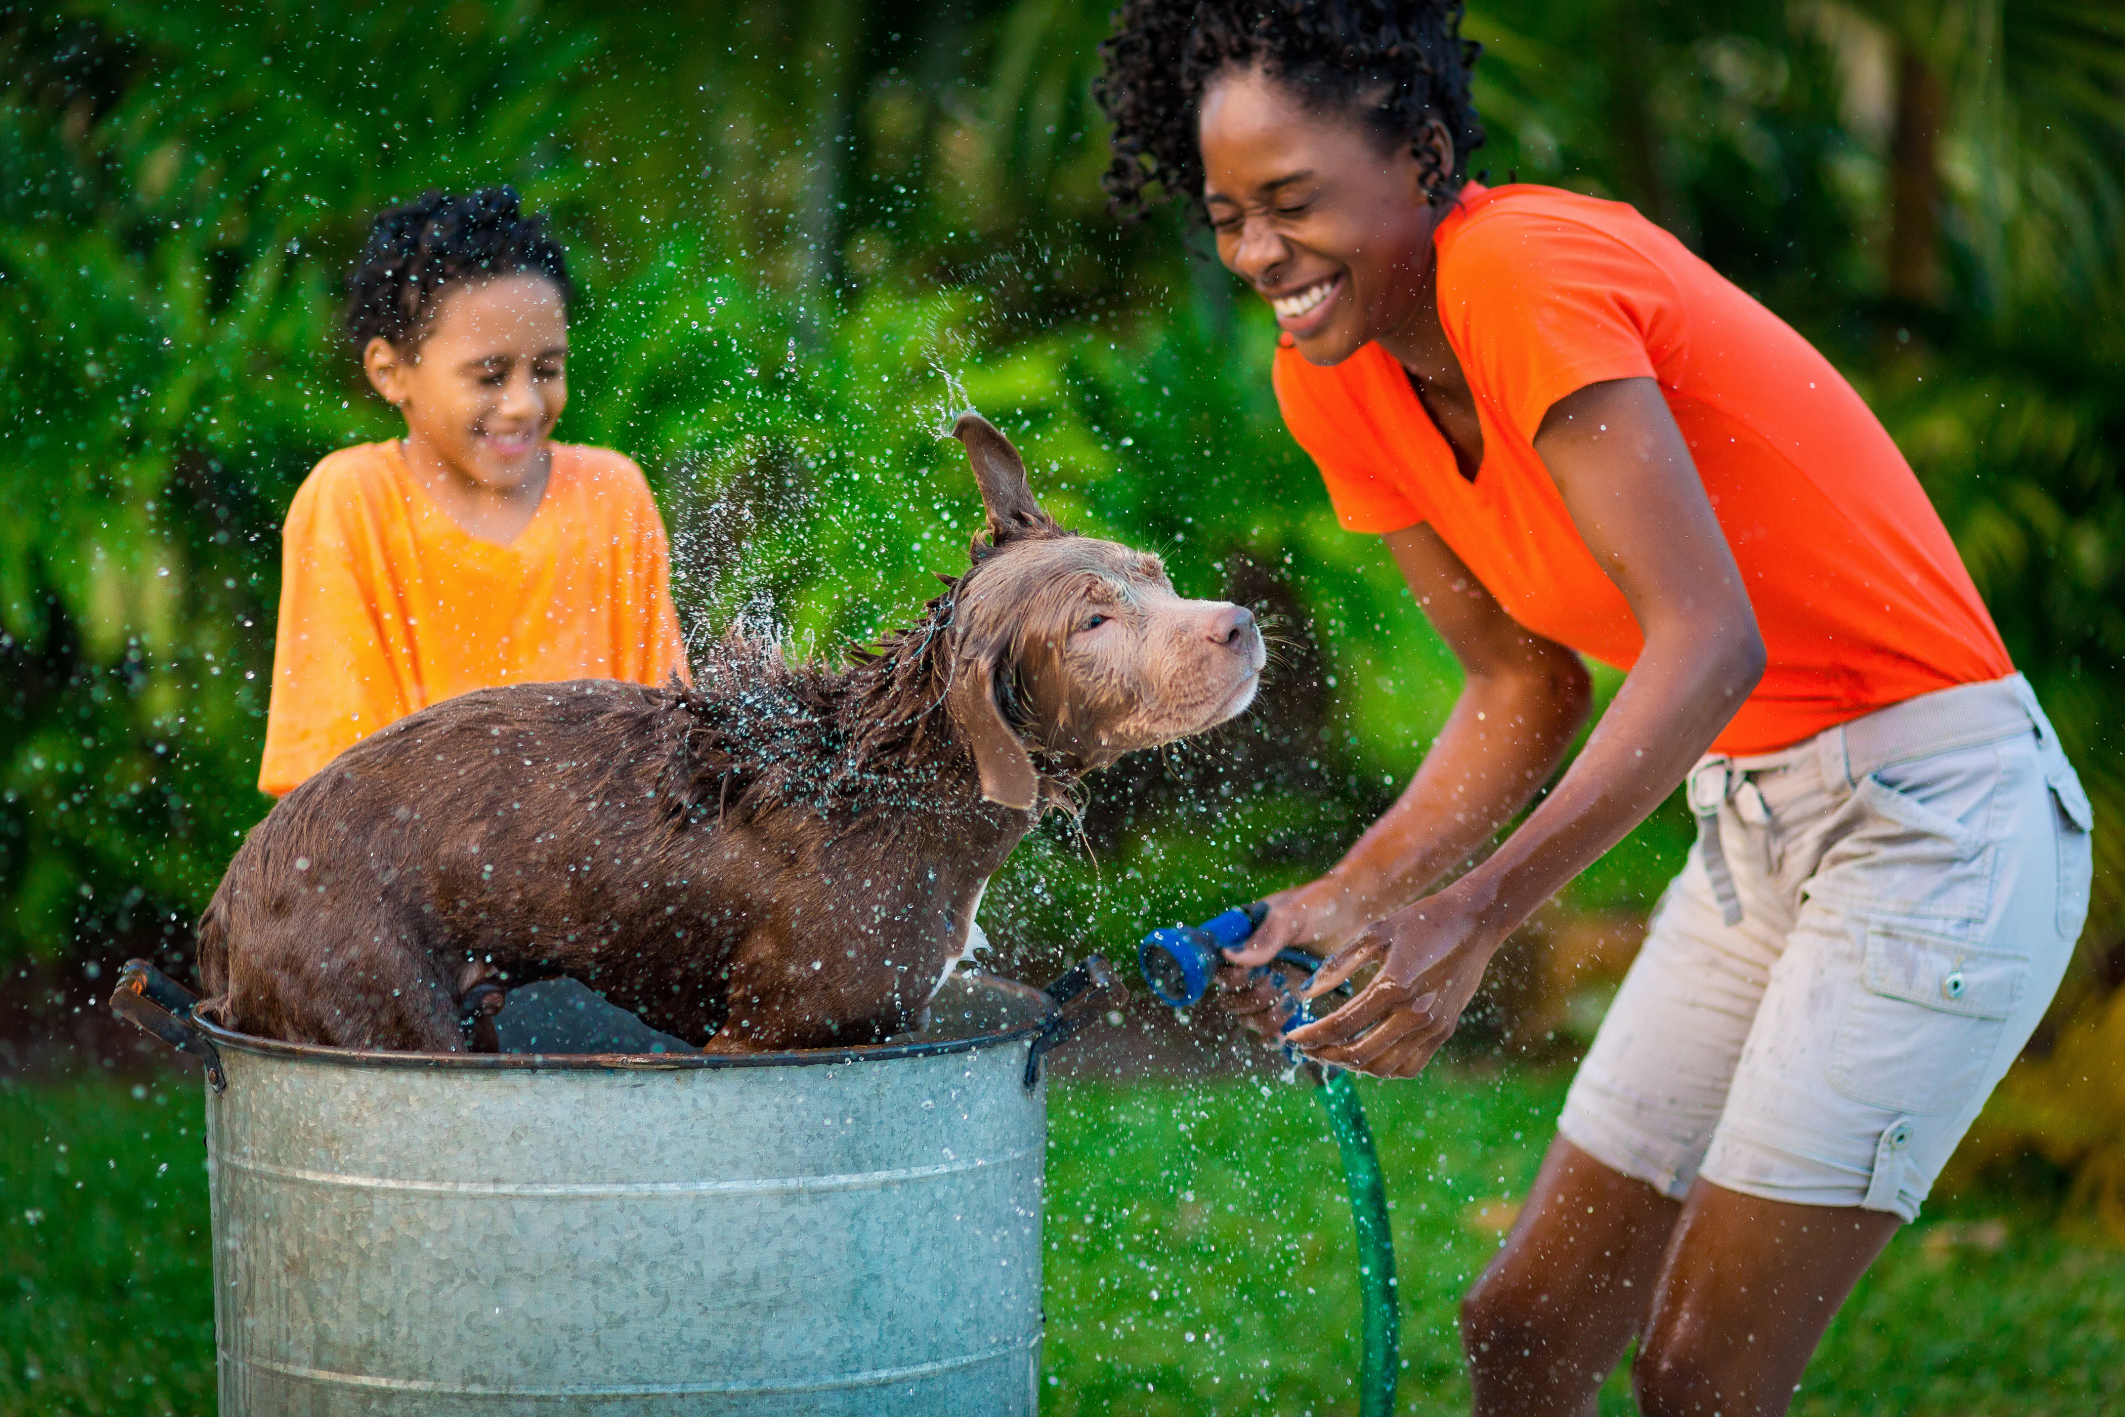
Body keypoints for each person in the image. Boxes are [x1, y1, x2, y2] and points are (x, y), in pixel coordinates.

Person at [1095, 3, 2093, 1413]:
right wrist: (1352, 893)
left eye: (1295, 202)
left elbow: (1707, 644)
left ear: (1423, 156)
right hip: (1756, 826)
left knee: (1701, 1371)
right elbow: (1521, 681)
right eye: (1227, 216)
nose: (1260, 252)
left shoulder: (1518, 267)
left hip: (1937, 823)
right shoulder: (1336, 380)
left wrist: (1477, 911)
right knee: (1529, 1321)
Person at [258, 187, 688, 798]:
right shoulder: (351, 501)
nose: (523, 404)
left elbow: (670, 749)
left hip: (599, 878)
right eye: (489, 375)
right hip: (405, 878)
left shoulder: (612, 494)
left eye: (546, 370)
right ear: (391, 372)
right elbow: (332, 791)